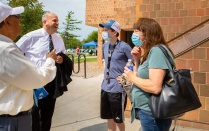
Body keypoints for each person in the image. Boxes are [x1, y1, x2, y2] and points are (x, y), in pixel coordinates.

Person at [0, 3, 57, 131]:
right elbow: (37, 79)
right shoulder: (7, 49)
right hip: (11, 121)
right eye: (18, 20)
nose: (20, 26)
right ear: (7, 22)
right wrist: (50, 60)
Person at [16, 12, 72, 131]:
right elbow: (15, 54)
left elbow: (62, 54)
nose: (57, 23)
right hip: (34, 82)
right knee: (33, 114)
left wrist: (61, 59)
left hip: (51, 82)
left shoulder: (58, 38)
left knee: (48, 114)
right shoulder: (30, 37)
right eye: (54, 20)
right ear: (45, 21)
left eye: (57, 21)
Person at [123, 17, 174, 131]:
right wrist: (136, 60)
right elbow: (140, 76)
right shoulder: (152, 51)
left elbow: (155, 87)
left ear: (148, 33)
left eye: (137, 31)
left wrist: (132, 77)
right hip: (148, 111)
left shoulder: (157, 51)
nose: (133, 34)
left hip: (152, 113)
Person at [99, 20, 133, 131]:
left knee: (118, 119)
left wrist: (125, 77)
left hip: (117, 88)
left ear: (114, 32)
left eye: (106, 30)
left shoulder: (124, 47)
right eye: (103, 29)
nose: (103, 32)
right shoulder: (104, 46)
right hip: (105, 87)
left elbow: (134, 62)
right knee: (109, 118)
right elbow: (106, 63)